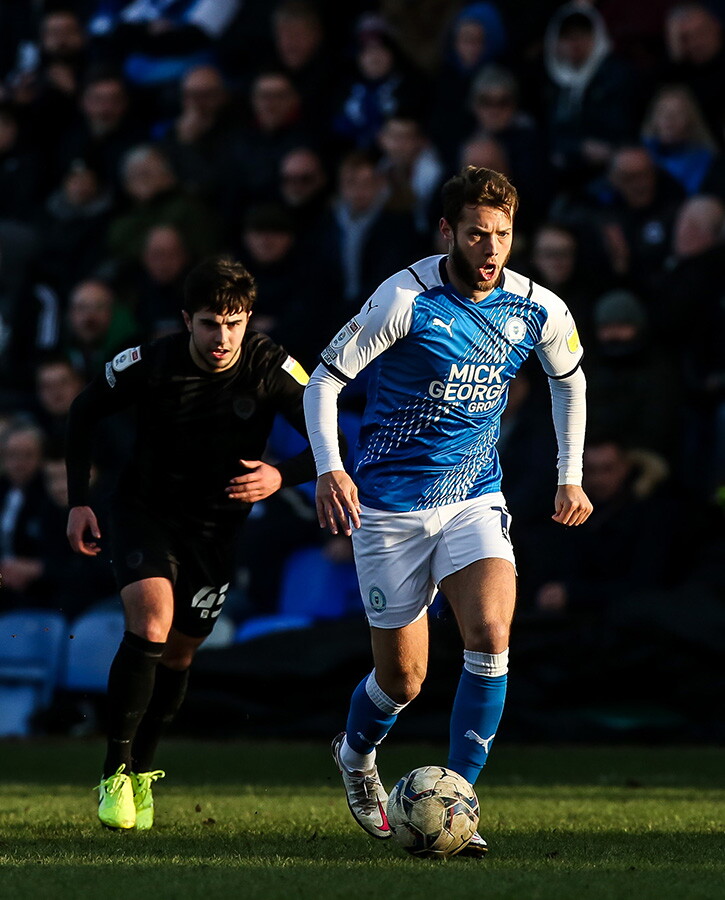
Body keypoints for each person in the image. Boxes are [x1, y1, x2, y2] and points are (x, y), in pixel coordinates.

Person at [303, 166, 593, 857]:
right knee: (402, 681)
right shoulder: (403, 298)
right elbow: (323, 382)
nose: (490, 249)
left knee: (490, 633)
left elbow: (570, 381)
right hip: (388, 510)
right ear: (447, 232)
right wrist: (330, 468)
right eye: (476, 234)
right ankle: (355, 755)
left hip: (473, 499)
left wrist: (570, 476)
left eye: (502, 234)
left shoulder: (538, 308)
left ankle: (457, 800)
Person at [65, 256, 319, 831]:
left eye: (234, 323)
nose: (222, 337)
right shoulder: (153, 362)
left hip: (216, 530)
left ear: (249, 318)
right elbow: (82, 412)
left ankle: (141, 771)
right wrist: (79, 501)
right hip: (145, 513)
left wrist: (282, 475)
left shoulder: (271, 366)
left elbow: (331, 437)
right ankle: (114, 772)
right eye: (209, 323)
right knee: (151, 624)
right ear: (187, 320)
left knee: (179, 654)